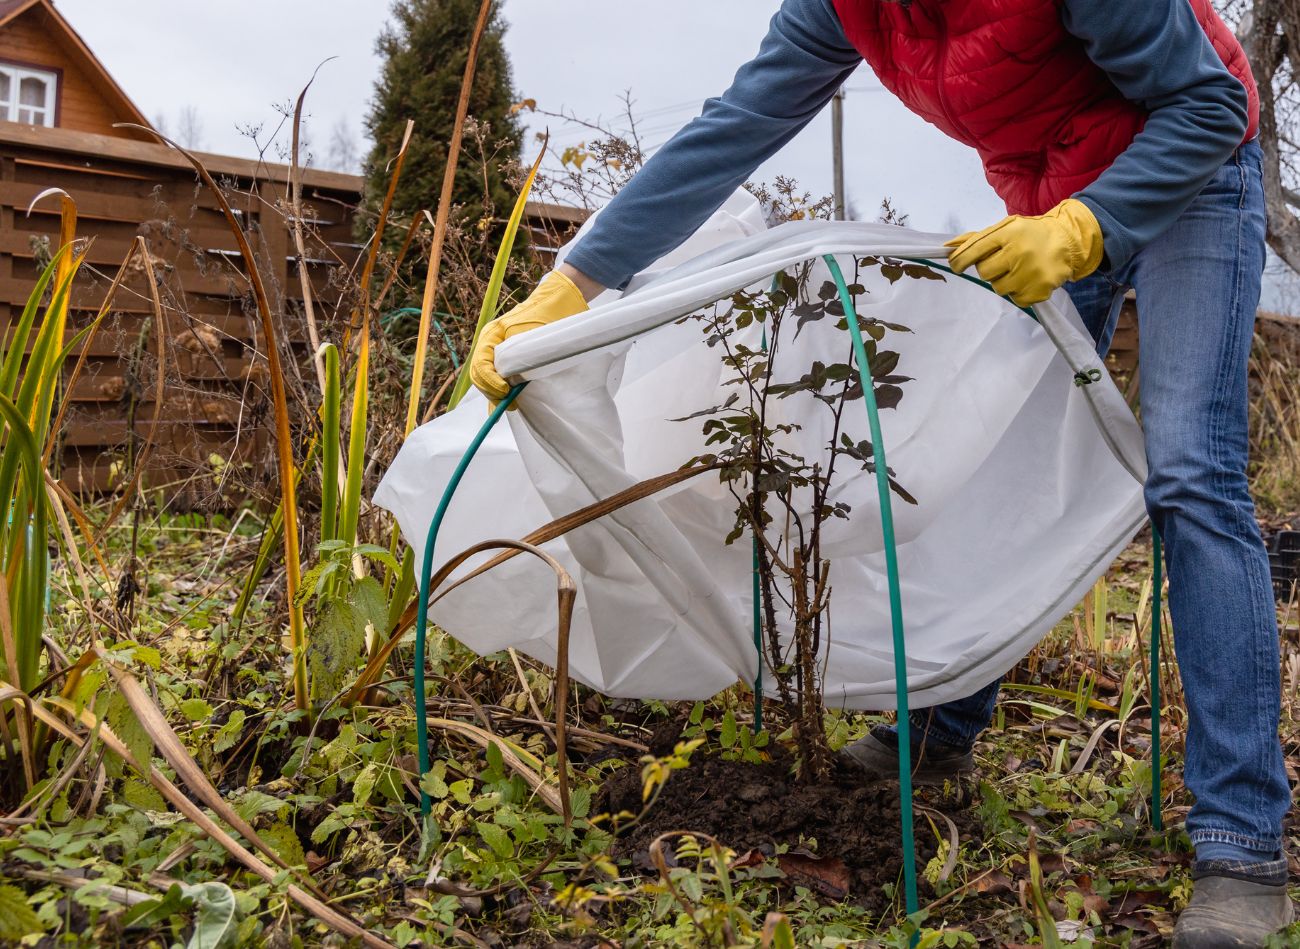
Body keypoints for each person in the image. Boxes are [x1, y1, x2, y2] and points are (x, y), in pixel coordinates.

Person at [467, 1, 1292, 943]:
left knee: (1189, 473)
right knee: (999, 464)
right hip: (1052, 184)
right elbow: (735, 127)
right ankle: (935, 735)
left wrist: (1084, 228)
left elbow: (1207, 106)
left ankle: (1241, 840)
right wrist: (575, 283)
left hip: (1189, 160)